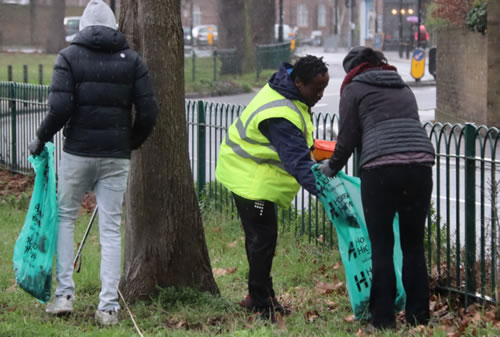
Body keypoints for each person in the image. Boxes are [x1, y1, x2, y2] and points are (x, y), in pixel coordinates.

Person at [28, 0, 158, 326]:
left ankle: (64, 295)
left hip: (77, 152)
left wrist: (41, 138)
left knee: (65, 219)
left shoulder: (68, 57)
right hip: (116, 155)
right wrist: (131, 143)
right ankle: (108, 307)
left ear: (83, 28)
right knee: (111, 230)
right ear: (114, 27)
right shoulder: (132, 61)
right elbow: (149, 113)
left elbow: (59, 108)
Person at [319, 47, 435, 329]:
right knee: (413, 245)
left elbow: (346, 138)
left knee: (381, 246)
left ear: (352, 70)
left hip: (380, 169)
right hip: (420, 164)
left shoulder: (354, 90)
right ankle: (418, 317)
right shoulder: (402, 86)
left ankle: (382, 320)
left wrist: (330, 167)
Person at [215, 55, 329, 320]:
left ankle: (264, 296)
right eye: (317, 88)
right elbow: (298, 162)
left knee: (263, 240)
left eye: (324, 88)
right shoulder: (280, 113)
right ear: (298, 82)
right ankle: (259, 301)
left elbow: (300, 147)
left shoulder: (289, 93)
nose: (321, 94)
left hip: (254, 176)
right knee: (262, 241)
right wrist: (328, 194)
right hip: (251, 181)